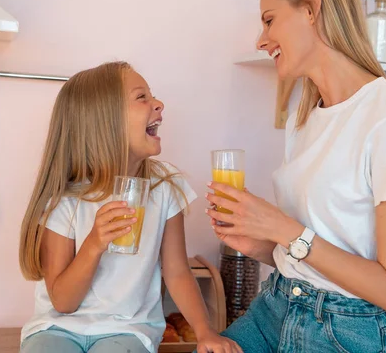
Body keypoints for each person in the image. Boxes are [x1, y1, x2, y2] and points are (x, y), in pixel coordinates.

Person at [205, 0, 386, 352]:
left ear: (311, 8)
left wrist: (282, 228)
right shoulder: (304, 114)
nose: (261, 39)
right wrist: (256, 242)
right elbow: (309, 255)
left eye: (269, 20)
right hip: (275, 305)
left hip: (342, 329)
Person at [18, 62, 242, 353]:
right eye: (142, 97)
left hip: (127, 330)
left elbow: (176, 272)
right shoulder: (66, 199)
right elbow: (63, 302)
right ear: (103, 120)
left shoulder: (164, 187)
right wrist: (94, 244)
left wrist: (205, 332)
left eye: (152, 96)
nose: (158, 104)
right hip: (57, 327)